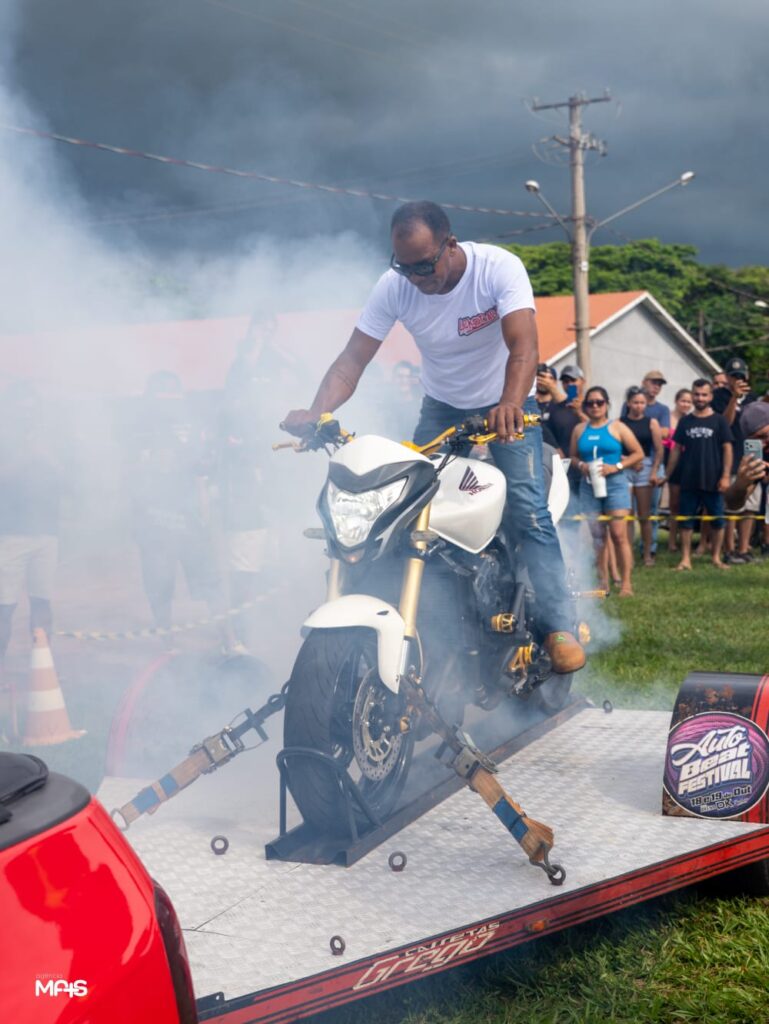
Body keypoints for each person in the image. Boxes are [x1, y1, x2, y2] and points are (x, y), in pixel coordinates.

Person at [282, 200, 585, 673]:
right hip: (440, 408)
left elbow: (523, 346)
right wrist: (316, 411)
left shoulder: (498, 268)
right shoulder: (396, 287)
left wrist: (508, 403)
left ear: (449, 244)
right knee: (406, 509)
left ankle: (558, 624)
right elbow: (351, 360)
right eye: (404, 267)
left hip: (508, 401)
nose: (416, 278)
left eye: (424, 266)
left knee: (528, 508)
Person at [0, 383, 61, 675]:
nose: (29, 413)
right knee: (3, 607)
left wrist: (46, 456)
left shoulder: (50, 438)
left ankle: (42, 667)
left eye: (33, 407)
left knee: (42, 602)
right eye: (23, 407)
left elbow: (68, 479)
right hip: (9, 535)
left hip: (47, 533)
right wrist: (26, 455)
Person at [570, 387, 644, 597]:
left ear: (607, 404)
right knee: (597, 536)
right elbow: (572, 456)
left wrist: (617, 467)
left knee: (619, 535)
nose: (595, 406)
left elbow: (638, 453)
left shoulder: (618, 427)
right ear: (585, 406)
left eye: (599, 402)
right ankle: (603, 582)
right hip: (589, 484)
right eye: (590, 403)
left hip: (615, 484)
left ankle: (626, 583)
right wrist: (581, 465)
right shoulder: (579, 429)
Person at [663, 379, 732, 571]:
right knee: (686, 521)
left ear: (710, 396)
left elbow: (727, 449)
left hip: (714, 479)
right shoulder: (686, 421)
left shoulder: (719, 420)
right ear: (692, 395)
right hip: (689, 479)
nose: (700, 398)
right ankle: (685, 559)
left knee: (717, 520)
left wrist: (725, 476)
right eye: (697, 394)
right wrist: (667, 474)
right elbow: (676, 449)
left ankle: (716, 557)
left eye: (704, 394)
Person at [712, 357, 758, 562]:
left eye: (741, 376)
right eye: (733, 376)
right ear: (727, 377)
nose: (738, 379)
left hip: (752, 451)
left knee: (750, 506)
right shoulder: (719, 396)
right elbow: (724, 423)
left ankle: (744, 548)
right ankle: (729, 550)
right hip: (732, 453)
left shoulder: (753, 398)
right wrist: (733, 398)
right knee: (732, 504)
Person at [621, 386, 664, 566]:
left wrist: (654, 470)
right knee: (628, 515)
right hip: (625, 466)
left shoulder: (651, 422)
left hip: (645, 466)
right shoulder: (620, 423)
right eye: (636, 402)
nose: (639, 406)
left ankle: (647, 554)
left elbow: (659, 449)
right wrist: (628, 459)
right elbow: (615, 446)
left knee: (644, 515)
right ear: (629, 403)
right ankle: (627, 555)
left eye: (642, 403)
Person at [725, 401, 769, 530]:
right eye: (755, 440)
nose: (763, 443)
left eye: (765, 436)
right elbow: (733, 504)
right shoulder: (759, 457)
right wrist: (740, 484)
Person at [665, 388, 693, 553]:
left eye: (689, 402)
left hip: (688, 464)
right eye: (683, 401)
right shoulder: (668, 418)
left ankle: (686, 541)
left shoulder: (691, 420)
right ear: (676, 401)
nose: (686, 404)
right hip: (673, 462)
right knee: (674, 504)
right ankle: (671, 540)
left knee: (687, 505)